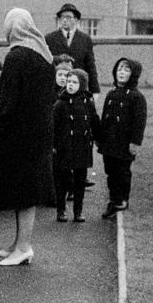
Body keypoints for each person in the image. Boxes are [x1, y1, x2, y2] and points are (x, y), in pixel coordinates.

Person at [0, 8, 56, 267]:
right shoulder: (44, 54)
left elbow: (7, 100)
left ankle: (24, 246)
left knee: (24, 192)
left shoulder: (17, 55)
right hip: (38, 132)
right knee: (25, 190)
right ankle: (17, 245)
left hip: (20, 134)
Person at [96, 58, 146, 217]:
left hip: (124, 144)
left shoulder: (137, 97)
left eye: (126, 70)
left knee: (122, 172)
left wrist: (135, 143)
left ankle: (121, 200)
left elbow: (139, 122)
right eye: (119, 69)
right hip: (109, 142)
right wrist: (100, 137)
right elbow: (105, 117)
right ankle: (114, 198)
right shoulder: (111, 94)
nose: (121, 73)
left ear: (133, 74)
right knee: (110, 171)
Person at [53, 69, 98, 223]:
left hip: (82, 146)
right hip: (64, 147)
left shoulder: (87, 103)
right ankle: (61, 210)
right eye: (69, 81)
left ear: (82, 84)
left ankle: (78, 211)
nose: (70, 85)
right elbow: (53, 126)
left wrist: (100, 139)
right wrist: (53, 145)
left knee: (80, 180)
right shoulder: (60, 103)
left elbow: (94, 122)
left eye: (75, 82)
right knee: (62, 180)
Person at [44, 3, 100, 95]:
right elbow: (46, 62)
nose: (65, 20)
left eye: (69, 17)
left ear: (77, 20)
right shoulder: (49, 38)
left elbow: (91, 66)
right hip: (56, 91)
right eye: (62, 17)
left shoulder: (85, 39)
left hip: (78, 90)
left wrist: (95, 91)